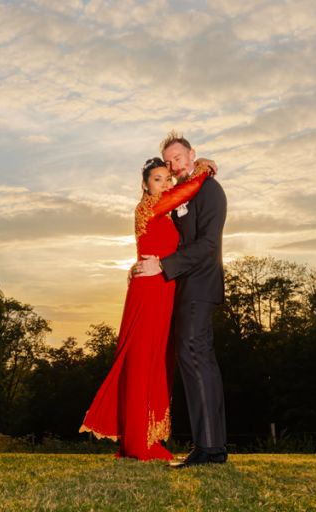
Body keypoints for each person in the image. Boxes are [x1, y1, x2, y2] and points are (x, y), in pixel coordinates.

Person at [79, 156, 213, 461]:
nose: (165, 184)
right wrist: (203, 169)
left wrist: (137, 263)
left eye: (168, 179)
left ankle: (148, 439)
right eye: (157, 179)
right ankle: (138, 444)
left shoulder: (164, 214)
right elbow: (186, 191)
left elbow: (159, 246)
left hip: (164, 290)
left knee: (157, 361)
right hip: (149, 293)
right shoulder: (148, 207)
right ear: (144, 184)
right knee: (141, 360)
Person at [133, 132, 228, 468]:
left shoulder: (211, 190)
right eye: (169, 160)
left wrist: (164, 264)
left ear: (192, 155)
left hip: (199, 286)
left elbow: (207, 246)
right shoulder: (180, 192)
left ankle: (208, 447)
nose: (174, 164)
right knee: (200, 361)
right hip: (184, 287)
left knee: (194, 357)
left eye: (179, 157)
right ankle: (213, 447)